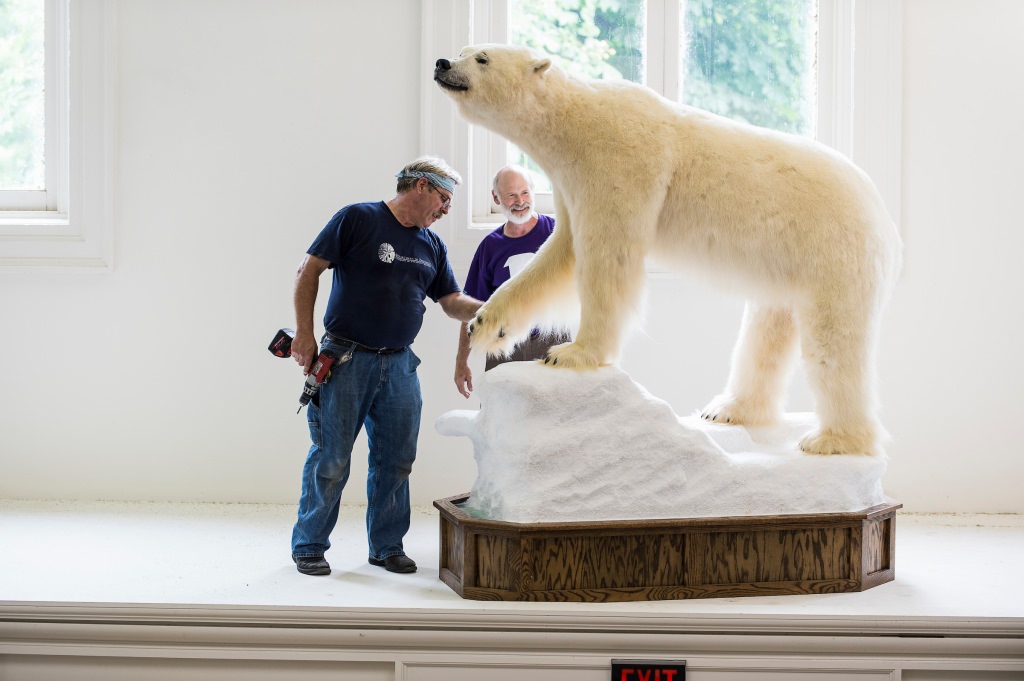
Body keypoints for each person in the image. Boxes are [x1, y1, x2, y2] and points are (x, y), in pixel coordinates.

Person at [289, 156, 482, 576]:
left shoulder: (431, 245)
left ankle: (386, 546)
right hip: (344, 359)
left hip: (399, 366)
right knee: (332, 457)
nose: (447, 209)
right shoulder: (358, 218)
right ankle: (309, 545)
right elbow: (309, 270)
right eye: (444, 198)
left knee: (396, 460)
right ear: (419, 187)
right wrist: (304, 334)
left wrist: (491, 307)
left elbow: (451, 302)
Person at [454, 165, 571, 398]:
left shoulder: (558, 233)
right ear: (496, 198)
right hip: (503, 345)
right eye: (511, 195)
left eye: (525, 193)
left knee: (558, 418)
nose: (520, 201)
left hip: (552, 340)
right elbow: (473, 311)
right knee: (499, 419)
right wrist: (461, 361)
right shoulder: (490, 247)